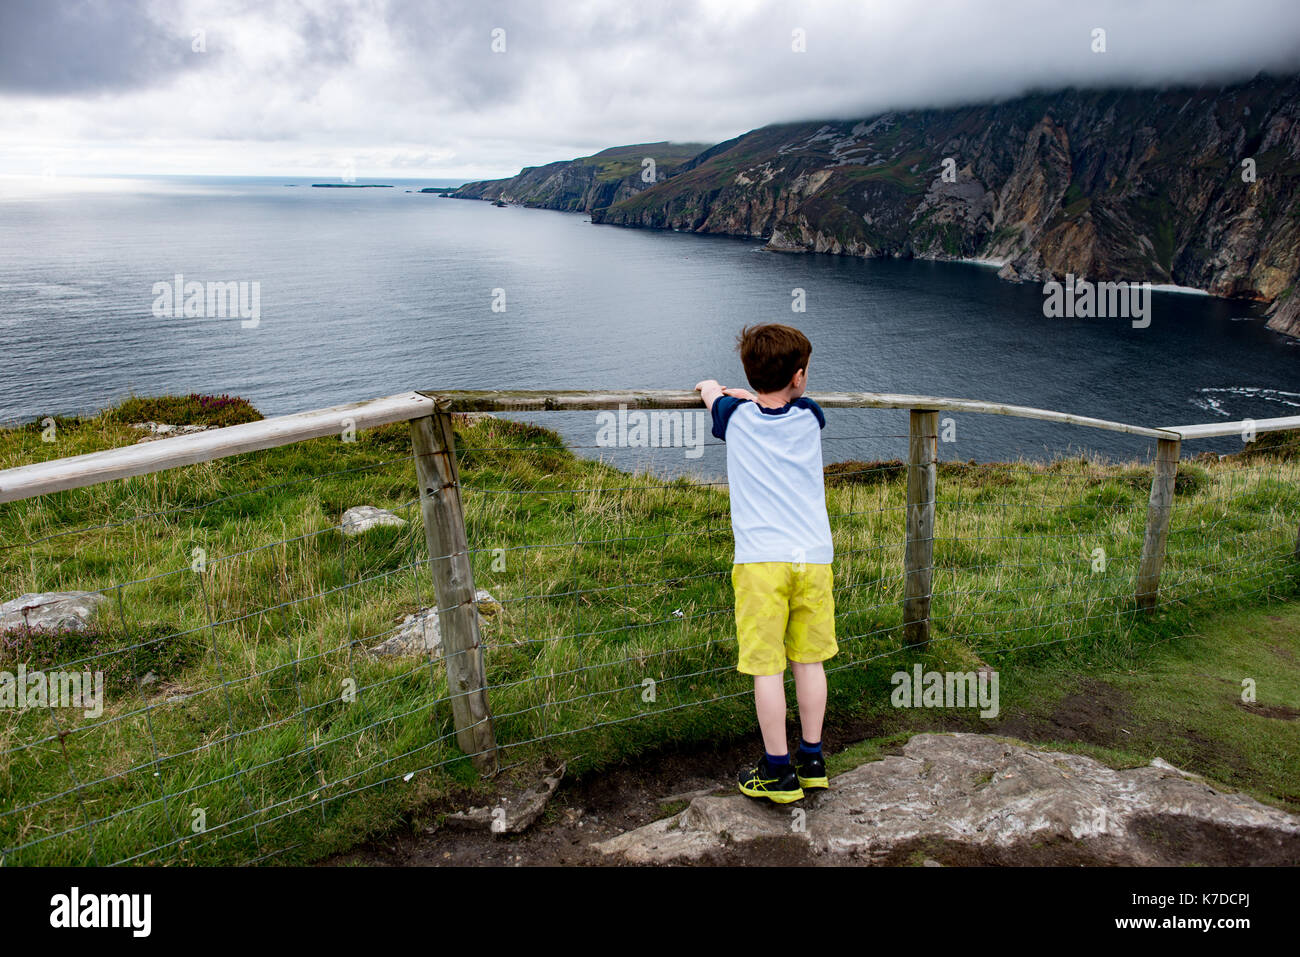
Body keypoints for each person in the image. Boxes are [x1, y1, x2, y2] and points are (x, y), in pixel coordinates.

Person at [695, 322, 836, 804]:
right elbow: (784, 403)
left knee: (767, 668)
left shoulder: (733, 416)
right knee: (809, 660)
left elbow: (719, 399)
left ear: (750, 375)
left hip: (761, 563)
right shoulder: (810, 416)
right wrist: (757, 395)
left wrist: (716, 389)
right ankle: (812, 760)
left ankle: (777, 772)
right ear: (799, 377)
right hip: (812, 559)